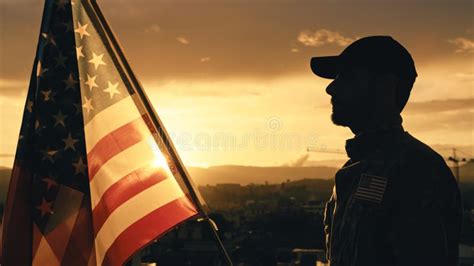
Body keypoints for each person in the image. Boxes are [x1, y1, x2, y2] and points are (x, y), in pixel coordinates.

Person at [310, 36, 462, 266]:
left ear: (385, 86)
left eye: (348, 77)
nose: (330, 88)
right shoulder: (354, 171)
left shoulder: (417, 170)